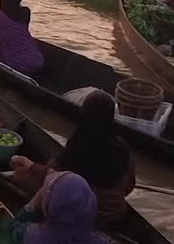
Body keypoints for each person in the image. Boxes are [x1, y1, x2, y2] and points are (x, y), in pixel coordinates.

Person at [11, 92, 135, 226]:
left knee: (20, 175)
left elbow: (51, 179)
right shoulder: (122, 147)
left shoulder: (79, 144)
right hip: (115, 212)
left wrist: (27, 165)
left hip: (84, 212)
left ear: (84, 114)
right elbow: (129, 186)